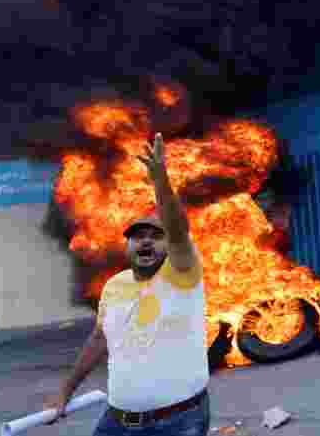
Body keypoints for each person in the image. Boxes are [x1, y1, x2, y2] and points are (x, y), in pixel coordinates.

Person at [46, 133, 210, 435]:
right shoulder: (115, 286)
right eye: (137, 236)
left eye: (154, 236)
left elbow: (176, 229)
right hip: (119, 421)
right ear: (128, 246)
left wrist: (160, 180)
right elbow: (98, 340)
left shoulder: (182, 274)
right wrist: (63, 394)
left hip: (178, 422)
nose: (145, 241)